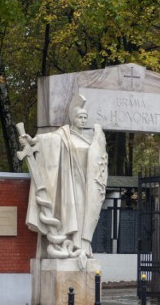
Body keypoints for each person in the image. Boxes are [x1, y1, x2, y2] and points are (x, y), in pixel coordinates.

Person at [18, 95, 108, 267]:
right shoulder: (63, 135)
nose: (83, 120)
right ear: (73, 119)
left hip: (86, 184)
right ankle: (69, 245)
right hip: (69, 183)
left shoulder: (91, 140)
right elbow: (47, 139)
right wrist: (31, 140)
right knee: (69, 213)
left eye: (85, 118)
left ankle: (82, 247)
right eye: (80, 117)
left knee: (83, 214)